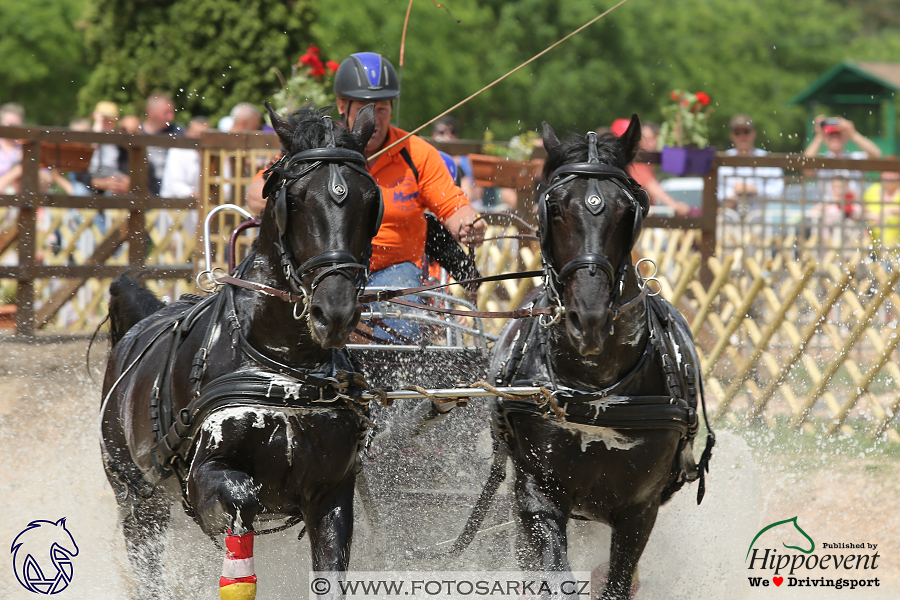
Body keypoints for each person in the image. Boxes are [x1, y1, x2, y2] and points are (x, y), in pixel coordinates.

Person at [246, 52, 483, 341]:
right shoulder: (318, 148)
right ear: (343, 105)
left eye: (382, 109)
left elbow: (454, 207)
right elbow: (256, 196)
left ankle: (377, 363)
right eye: (366, 109)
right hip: (322, 270)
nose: (376, 119)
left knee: (403, 321)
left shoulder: (417, 153)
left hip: (392, 271)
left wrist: (470, 223)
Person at [612, 119, 691, 217]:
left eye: (654, 138)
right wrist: (674, 205)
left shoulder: (642, 161)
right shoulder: (636, 162)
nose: (653, 143)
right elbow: (649, 184)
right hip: (636, 218)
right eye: (648, 139)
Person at [803, 114, 882, 210]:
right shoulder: (821, 160)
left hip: (853, 216)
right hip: (826, 215)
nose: (835, 138)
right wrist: (819, 135)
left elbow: (876, 154)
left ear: (845, 138)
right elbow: (806, 164)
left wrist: (853, 133)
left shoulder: (855, 158)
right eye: (830, 135)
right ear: (825, 138)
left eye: (839, 135)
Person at [717, 115, 784, 209]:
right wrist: (731, 198)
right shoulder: (723, 159)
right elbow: (714, 190)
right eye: (737, 132)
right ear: (732, 135)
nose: (742, 136)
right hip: (729, 216)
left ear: (754, 133)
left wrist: (755, 190)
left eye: (746, 132)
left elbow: (779, 190)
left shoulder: (767, 159)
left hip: (761, 217)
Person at [142, 92, 184, 195]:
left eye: (172, 112)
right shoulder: (136, 132)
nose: (171, 117)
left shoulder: (177, 133)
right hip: (144, 192)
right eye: (166, 112)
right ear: (151, 112)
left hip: (170, 193)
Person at [160, 116, 209, 198]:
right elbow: (174, 185)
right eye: (196, 135)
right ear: (187, 133)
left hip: (200, 206)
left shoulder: (212, 154)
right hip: (174, 206)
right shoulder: (177, 151)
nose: (199, 140)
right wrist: (201, 196)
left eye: (203, 136)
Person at [862, 155, 900, 254]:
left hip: (896, 253)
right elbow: (862, 212)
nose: (890, 176)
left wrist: (889, 211)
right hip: (873, 251)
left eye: (894, 172)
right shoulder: (872, 190)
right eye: (887, 171)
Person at [0, 103, 24, 195]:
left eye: (14, 126)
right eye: (8, 125)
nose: (11, 129)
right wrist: (19, 170)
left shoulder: (29, 147)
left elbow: (46, 181)